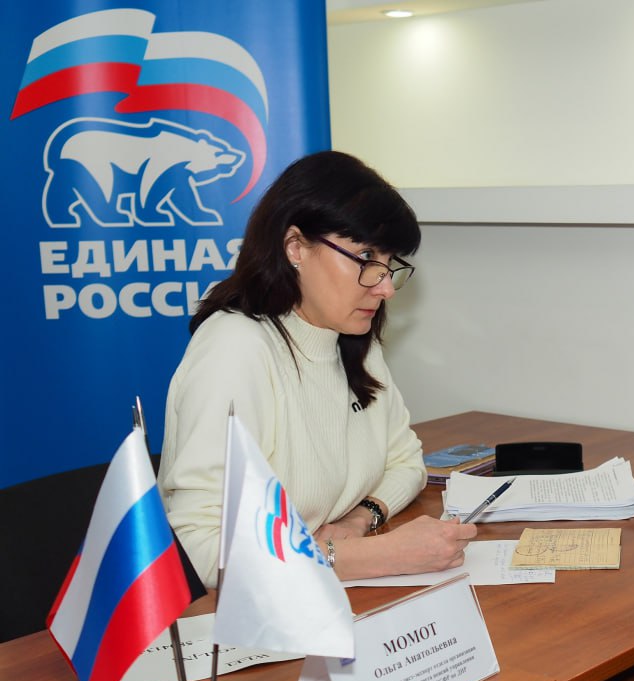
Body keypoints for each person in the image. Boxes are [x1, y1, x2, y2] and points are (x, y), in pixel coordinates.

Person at [159, 150, 475, 587]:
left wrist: (361, 519)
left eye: (389, 263)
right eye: (366, 257)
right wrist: (371, 555)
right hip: (245, 613)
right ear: (295, 248)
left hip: (317, 592)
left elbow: (405, 461)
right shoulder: (236, 348)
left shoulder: (351, 335)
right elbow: (200, 549)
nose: (385, 287)